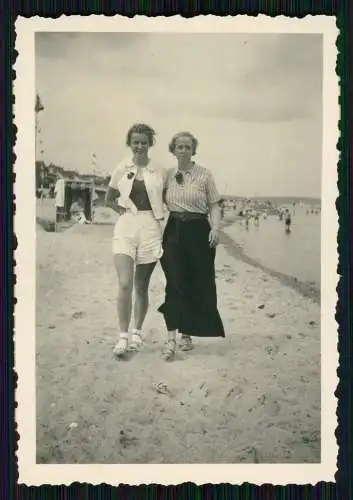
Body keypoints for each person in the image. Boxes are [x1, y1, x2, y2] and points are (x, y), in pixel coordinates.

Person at [158, 131, 225, 361]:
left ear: (193, 149)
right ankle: (171, 338)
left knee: (196, 281)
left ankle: (187, 333)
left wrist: (216, 229)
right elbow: (155, 202)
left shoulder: (205, 175)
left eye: (188, 146)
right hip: (174, 229)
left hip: (199, 231)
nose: (184, 150)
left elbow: (215, 205)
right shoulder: (167, 175)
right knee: (174, 281)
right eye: (179, 146)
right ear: (173, 150)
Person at [105, 123, 166, 358]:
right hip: (126, 226)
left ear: (150, 144)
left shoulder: (160, 170)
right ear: (129, 144)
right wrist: (123, 210)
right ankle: (122, 337)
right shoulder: (121, 167)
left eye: (144, 142)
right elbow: (109, 198)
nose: (139, 146)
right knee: (124, 283)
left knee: (141, 285)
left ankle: (137, 331)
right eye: (135, 142)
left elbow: (168, 199)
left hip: (151, 227)